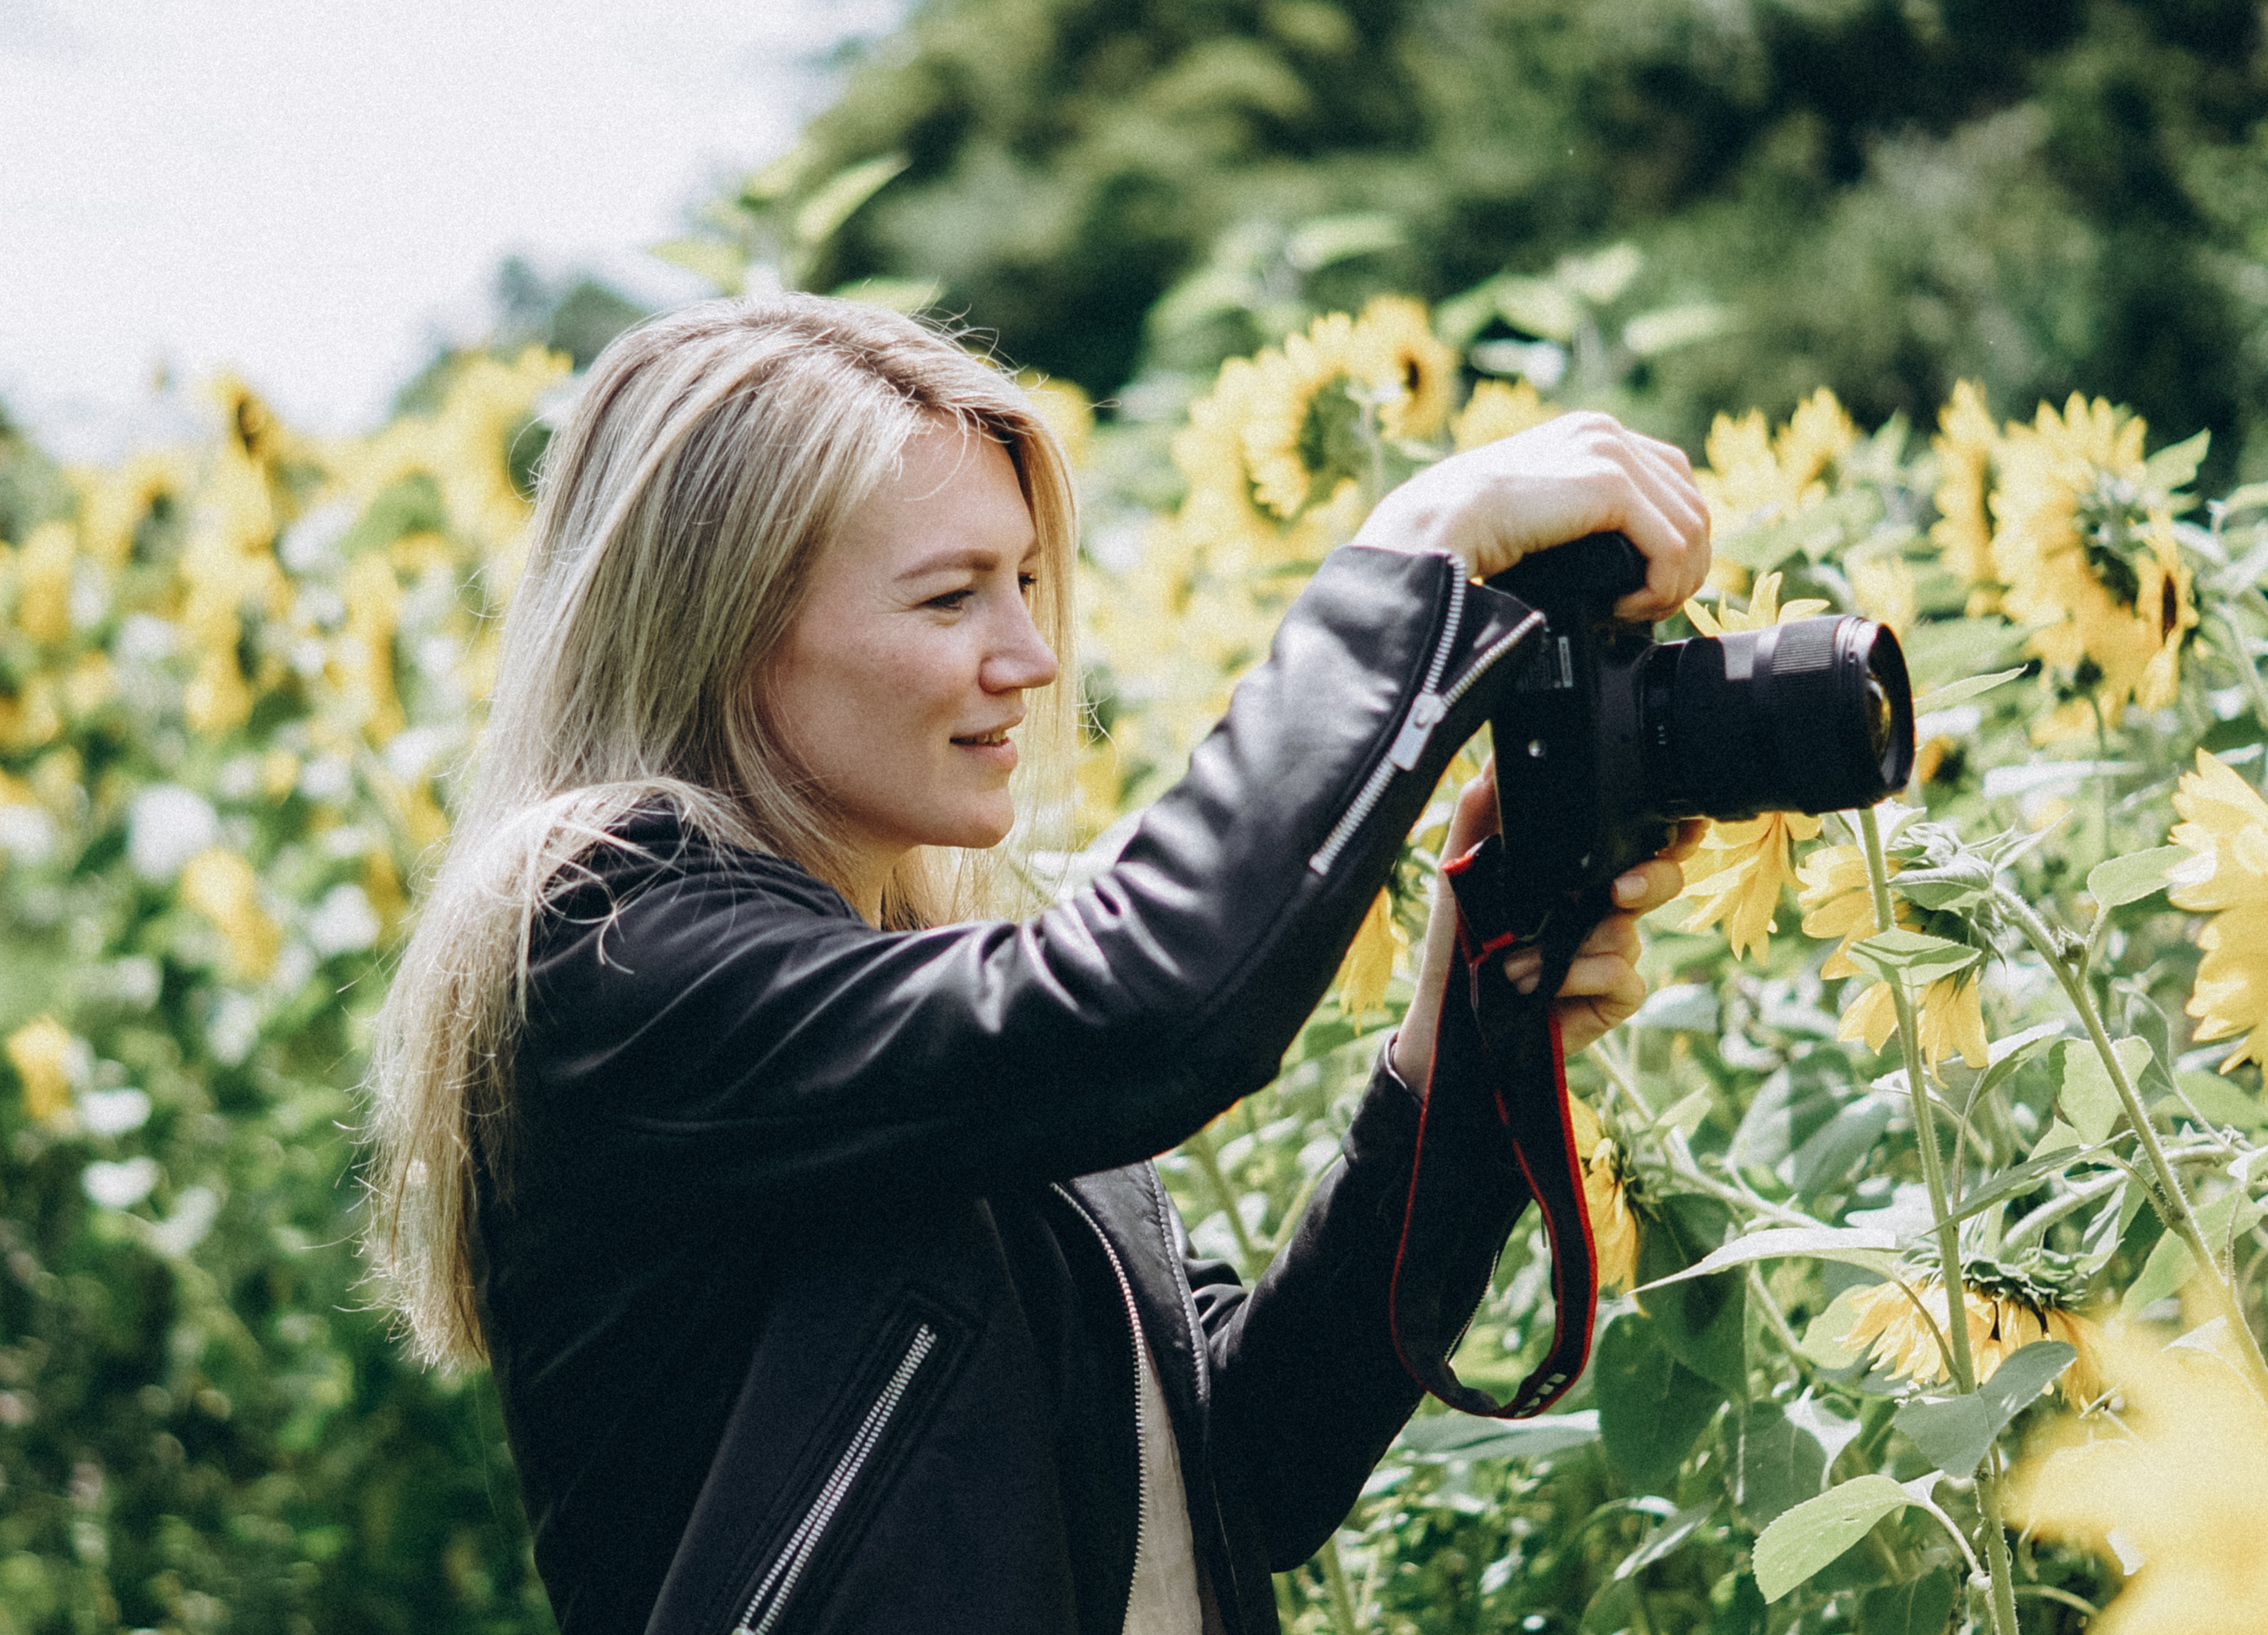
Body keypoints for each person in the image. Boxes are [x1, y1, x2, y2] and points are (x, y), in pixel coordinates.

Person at [361, 294, 1708, 1635]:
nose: (1030, 657)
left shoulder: (912, 991)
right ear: (727, 630)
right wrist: (1410, 562)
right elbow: (1154, 1009)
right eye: (952, 597)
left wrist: (1459, 1043)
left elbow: (1247, 1461)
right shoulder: (614, 941)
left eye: (1025, 582)